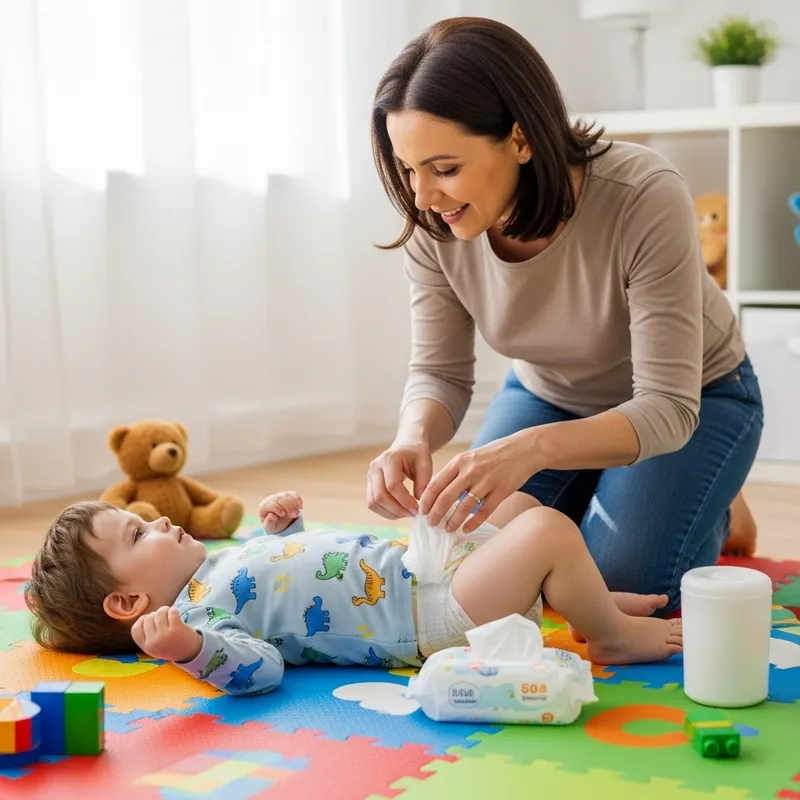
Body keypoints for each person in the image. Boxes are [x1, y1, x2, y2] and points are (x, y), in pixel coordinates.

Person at [366, 16, 764, 613]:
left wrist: (532, 451)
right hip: (549, 395)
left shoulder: (642, 194)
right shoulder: (434, 222)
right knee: (468, 561)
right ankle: (628, 493)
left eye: (444, 169)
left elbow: (667, 406)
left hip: (696, 401)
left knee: (619, 584)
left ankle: (713, 495)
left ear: (522, 140)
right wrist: (411, 435)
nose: (422, 197)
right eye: (407, 170)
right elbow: (441, 373)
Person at [25, 492, 681, 696]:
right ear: (127, 604)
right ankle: (611, 634)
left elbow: (305, 576)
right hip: (428, 615)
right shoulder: (199, 616)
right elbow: (263, 666)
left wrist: (287, 531)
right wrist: (189, 649)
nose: (161, 521)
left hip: (423, 571)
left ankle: (579, 601)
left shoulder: (215, 568)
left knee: (515, 505)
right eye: (139, 533)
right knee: (545, 529)